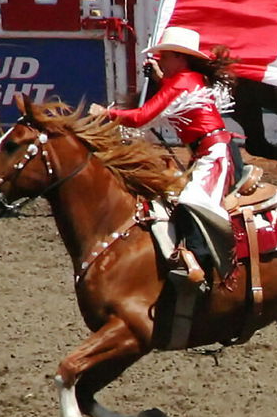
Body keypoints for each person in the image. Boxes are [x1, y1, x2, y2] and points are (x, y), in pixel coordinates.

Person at [89, 27, 238, 280]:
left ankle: (202, 265)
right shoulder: (188, 79)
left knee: (193, 201)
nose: (160, 60)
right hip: (210, 152)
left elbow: (140, 117)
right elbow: (172, 95)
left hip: (215, 155)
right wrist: (161, 79)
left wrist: (107, 113)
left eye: (165, 56)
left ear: (180, 58)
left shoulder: (182, 82)